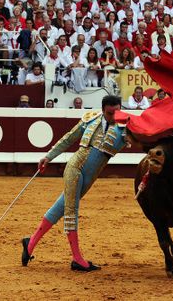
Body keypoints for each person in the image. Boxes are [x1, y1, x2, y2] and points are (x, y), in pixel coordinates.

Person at [22, 95, 128, 271]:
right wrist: (48, 157)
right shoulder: (90, 119)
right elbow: (68, 138)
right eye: (110, 113)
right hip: (75, 168)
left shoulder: (124, 128)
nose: (114, 116)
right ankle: (77, 258)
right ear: (103, 110)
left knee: (60, 208)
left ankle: (30, 243)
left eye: (117, 112)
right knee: (71, 210)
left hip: (89, 177)